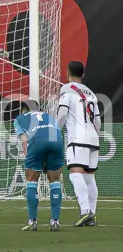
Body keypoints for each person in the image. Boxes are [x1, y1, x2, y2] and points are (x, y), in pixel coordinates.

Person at [56, 61, 100, 227]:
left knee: (75, 173)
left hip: (78, 138)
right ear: (83, 75)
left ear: (67, 73)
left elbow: (61, 115)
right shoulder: (92, 95)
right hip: (93, 138)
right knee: (89, 176)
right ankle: (92, 215)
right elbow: (97, 122)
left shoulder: (66, 92)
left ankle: (85, 211)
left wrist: (54, 131)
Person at [14, 100, 64, 231]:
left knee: (32, 180)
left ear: (23, 110)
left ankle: (32, 222)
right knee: (54, 180)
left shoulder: (20, 118)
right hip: (56, 141)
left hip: (37, 143)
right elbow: (57, 132)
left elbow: (25, 142)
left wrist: (33, 161)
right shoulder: (49, 116)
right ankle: (55, 222)